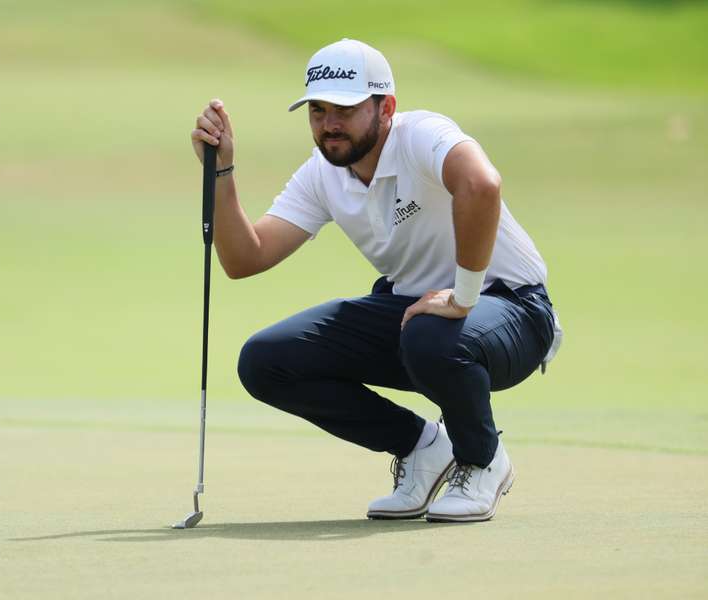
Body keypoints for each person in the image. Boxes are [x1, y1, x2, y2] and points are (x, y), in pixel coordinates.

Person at [189, 38, 561, 523]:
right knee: (266, 361)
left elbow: (482, 184)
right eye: (317, 110)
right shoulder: (323, 172)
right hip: (416, 318)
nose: (329, 125)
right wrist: (221, 173)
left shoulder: (422, 135)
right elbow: (245, 257)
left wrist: (463, 295)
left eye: (344, 109)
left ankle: (482, 458)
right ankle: (424, 449)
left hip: (514, 312)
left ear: (386, 107)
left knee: (429, 334)